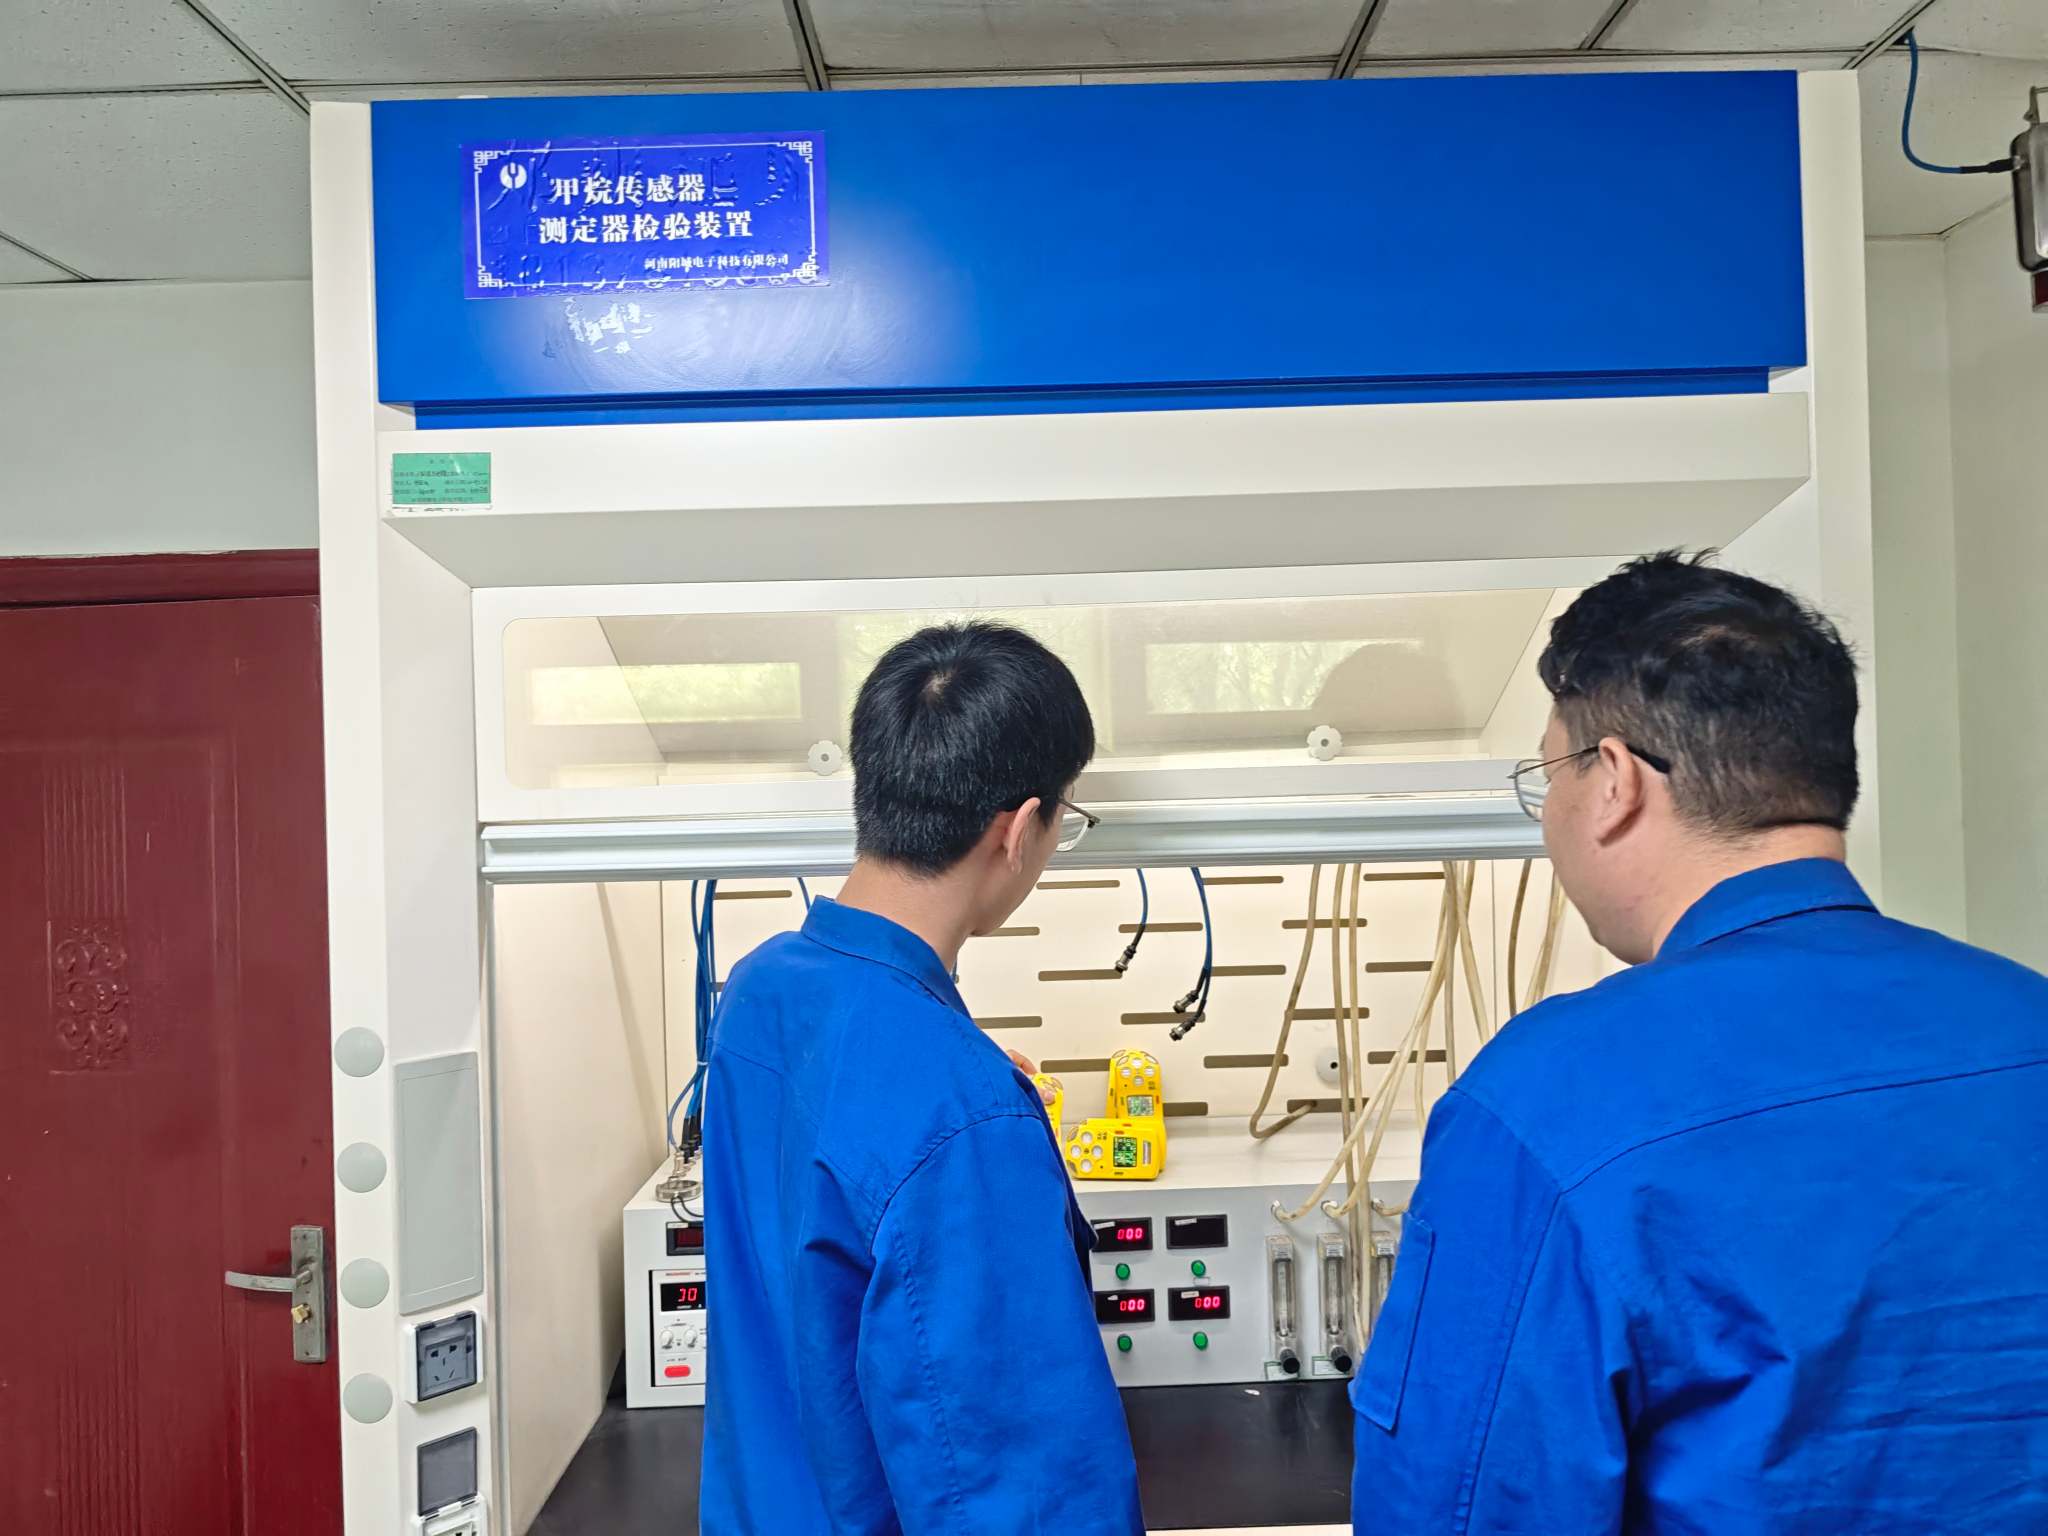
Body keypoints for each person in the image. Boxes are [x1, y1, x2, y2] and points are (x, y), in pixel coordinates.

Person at [1352, 552, 2048, 1534]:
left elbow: (1466, 1506)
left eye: (1547, 775)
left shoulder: (1548, 1100)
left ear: (1614, 782)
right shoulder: (2026, 1017)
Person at [700, 622, 1143, 1535]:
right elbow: (1024, 1496)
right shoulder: (966, 1115)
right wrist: (966, 1103)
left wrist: (949, 1071)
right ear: (1017, 829)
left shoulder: (761, 986)